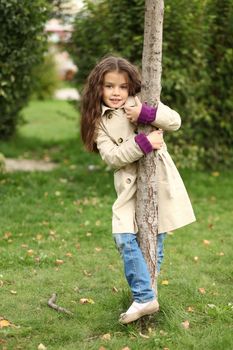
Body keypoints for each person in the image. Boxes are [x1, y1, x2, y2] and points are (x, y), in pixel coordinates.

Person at [80, 56, 196, 324]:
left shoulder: (141, 99)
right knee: (123, 236)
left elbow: (175, 121)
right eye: (109, 87)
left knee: (154, 240)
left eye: (122, 87)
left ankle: (147, 295)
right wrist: (144, 142)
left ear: (129, 86)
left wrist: (146, 114)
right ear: (98, 88)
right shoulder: (99, 121)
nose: (116, 93)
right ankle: (144, 297)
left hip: (157, 179)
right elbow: (112, 157)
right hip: (129, 186)